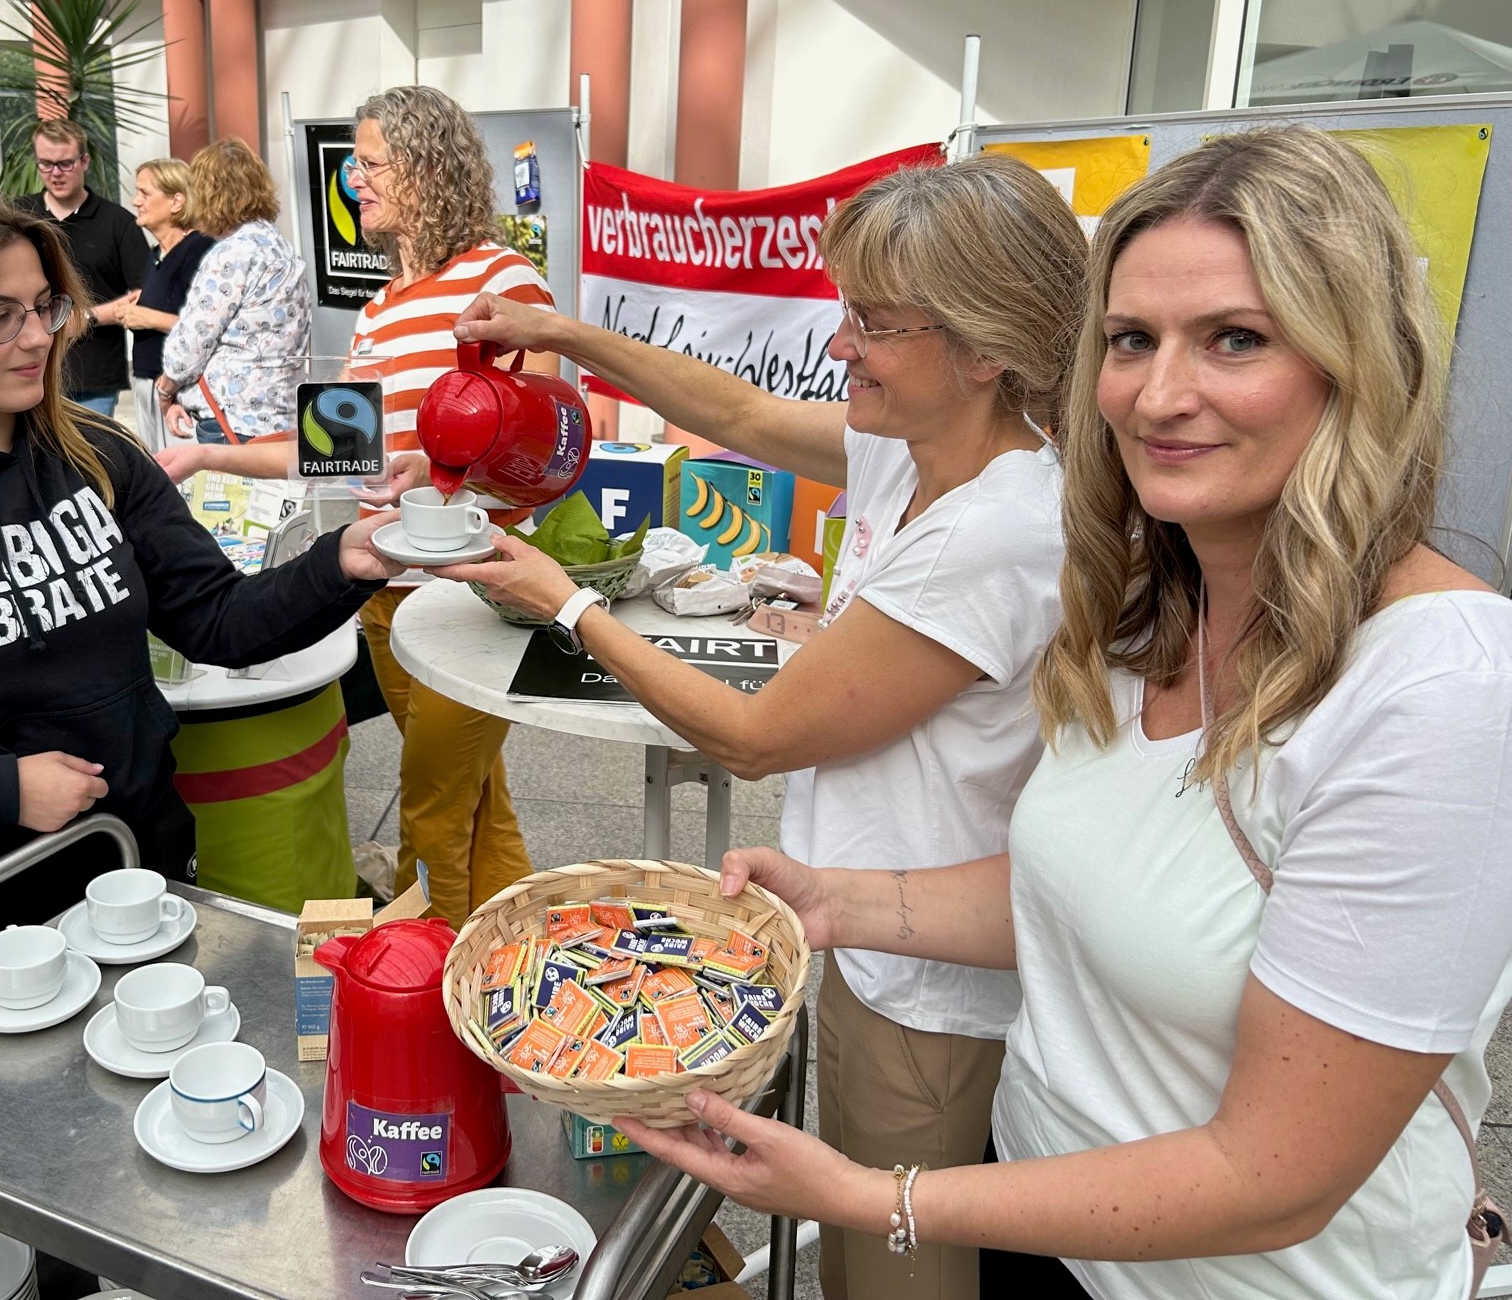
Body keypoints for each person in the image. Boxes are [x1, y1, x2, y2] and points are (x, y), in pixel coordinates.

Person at [617, 126, 1512, 1300]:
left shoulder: (1443, 690)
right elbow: (1085, 879)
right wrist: (840, 900)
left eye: (1236, 339)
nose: (1160, 393)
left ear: (1360, 362)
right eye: (1132, 341)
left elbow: (1275, 1172)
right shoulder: (1152, 605)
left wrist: (874, 1197)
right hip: (1049, 1224)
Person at [437, 152, 1087, 1298]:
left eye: (873, 324)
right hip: (866, 921)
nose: (841, 346)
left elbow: (755, 736)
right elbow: (731, 409)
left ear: (986, 348)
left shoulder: (998, 530)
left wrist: (567, 600)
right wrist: (567, 334)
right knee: (844, 1231)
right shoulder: (920, 449)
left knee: (895, 1265)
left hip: (930, 975)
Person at [0, 187, 400, 1295]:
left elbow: (218, 619)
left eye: (45, 305)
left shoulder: (99, 456)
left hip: (132, 912)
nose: (35, 335)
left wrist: (348, 564)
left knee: (115, 1206)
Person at [160, 87, 563, 927]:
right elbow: (330, 449)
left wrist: (448, 477)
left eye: (371, 162)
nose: (353, 181)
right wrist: (205, 453)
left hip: (474, 594)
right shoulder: (378, 311)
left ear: (426, 168)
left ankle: (429, 988)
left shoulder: (500, 279)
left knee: (430, 809)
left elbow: (548, 449)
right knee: (475, 798)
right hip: (385, 596)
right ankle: (517, 956)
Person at [153, 137, 310, 443]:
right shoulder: (281, 249)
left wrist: (166, 389)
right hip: (281, 415)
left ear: (209, 195)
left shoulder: (232, 254)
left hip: (232, 420)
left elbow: (194, 340)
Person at [13, 118, 149, 417]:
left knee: (89, 462)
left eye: (65, 163)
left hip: (93, 379)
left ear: (84, 161)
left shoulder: (118, 223)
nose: (56, 173)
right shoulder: (18, 216)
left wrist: (87, 317)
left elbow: (145, 295)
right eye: (46, 164)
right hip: (27, 370)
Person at [118, 157, 214, 451]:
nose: (136, 201)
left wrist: (148, 317)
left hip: (179, 393)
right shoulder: (156, 253)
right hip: (148, 384)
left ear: (177, 202)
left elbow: (209, 328)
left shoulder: (199, 250)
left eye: (145, 193)